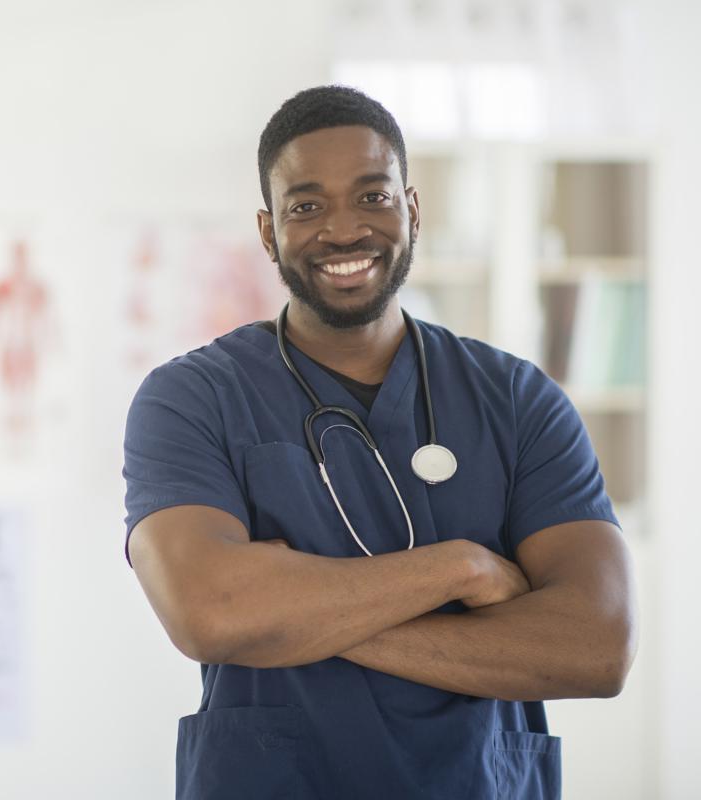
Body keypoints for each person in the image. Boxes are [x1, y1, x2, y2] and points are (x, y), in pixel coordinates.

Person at [122, 85, 638, 800]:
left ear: (412, 211)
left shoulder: (519, 401)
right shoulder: (193, 399)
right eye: (306, 206)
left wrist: (285, 612)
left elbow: (597, 647)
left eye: (372, 197)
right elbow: (209, 613)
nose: (344, 230)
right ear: (269, 233)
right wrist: (460, 570)